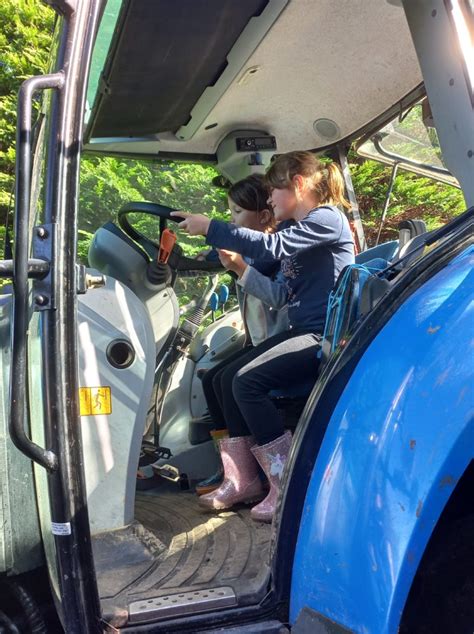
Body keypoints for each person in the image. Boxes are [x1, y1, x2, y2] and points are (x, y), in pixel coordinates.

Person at [172, 151, 355, 522]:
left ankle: (286, 481)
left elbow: (269, 248)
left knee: (247, 382)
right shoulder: (293, 233)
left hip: (326, 335)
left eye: (274, 190)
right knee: (223, 378)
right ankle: (245, 480)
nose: (269, 199)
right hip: (302, 330)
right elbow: (278, 294)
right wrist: (234, 264)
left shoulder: (327, 219)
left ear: (299, 185)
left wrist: (211, 226)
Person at [195, 174, 289, 495]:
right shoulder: (252, 253)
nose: (231, 220)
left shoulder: (272, 250)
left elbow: (261, 275)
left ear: (264, 216)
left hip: (280, 338)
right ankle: (233, 469)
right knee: (211, 378)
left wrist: (235, 264)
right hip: (259, 340)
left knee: (231, 379)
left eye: (236, 213)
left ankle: (257, 477)